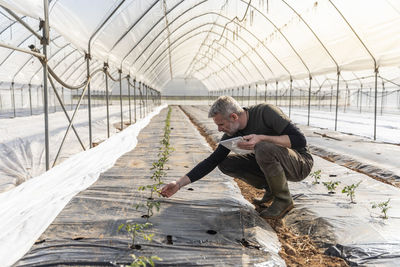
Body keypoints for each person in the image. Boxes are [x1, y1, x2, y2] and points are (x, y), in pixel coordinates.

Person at [160, 96, 313, 219]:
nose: (219, 129)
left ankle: (283, 200)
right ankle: (271, 188)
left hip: (299, 163)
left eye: (221, 124)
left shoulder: (265, 112)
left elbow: (300, 140)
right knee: (226, 163)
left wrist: (261, 138)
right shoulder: (232, 132)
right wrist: (179, 184)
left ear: (233, 116)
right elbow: (212, 161)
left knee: (263, 146)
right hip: (275, 161)